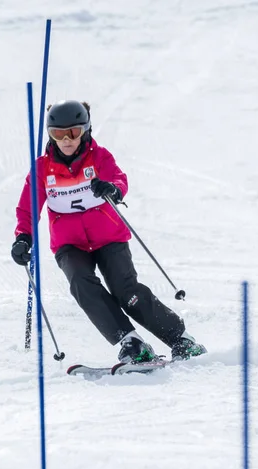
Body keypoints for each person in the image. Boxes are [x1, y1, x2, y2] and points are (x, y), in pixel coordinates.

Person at [11, 100, 206, 363]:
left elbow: (119, 179)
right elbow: (28, 209)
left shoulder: (99, 156)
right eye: (58, 133)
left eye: (74, 132)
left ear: (86, 130)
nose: (66, 140)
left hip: (109, 237)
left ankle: (181, 339)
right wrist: (23, 237)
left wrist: (112, 190)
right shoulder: (42, 169)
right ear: (50, 133)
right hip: (70, 244)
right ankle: (131, 342)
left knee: (126, 291)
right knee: (81, 283)